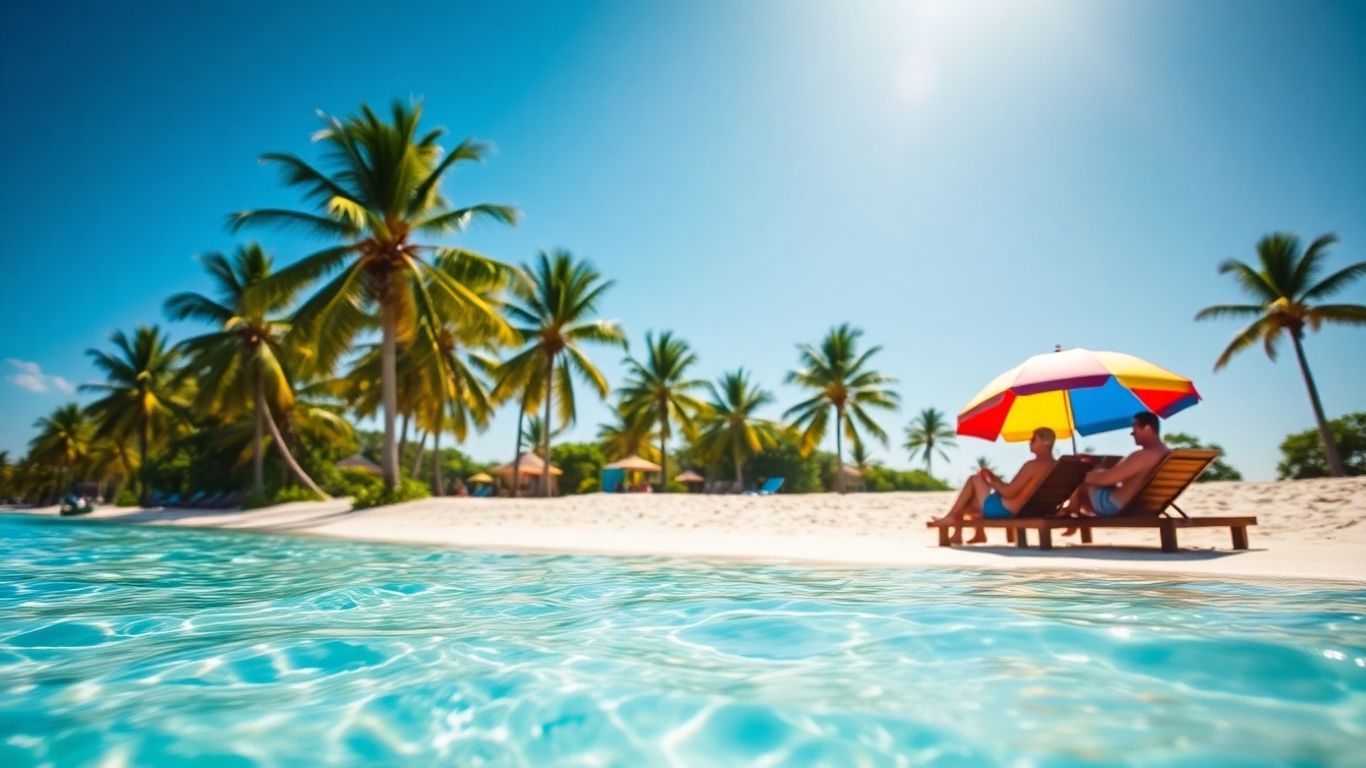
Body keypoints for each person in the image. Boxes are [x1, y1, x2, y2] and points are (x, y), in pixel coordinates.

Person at [932, 427, 1057, 545]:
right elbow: (1017, 490)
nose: (1029, 443)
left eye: (1033, 439)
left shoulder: (1032, 465)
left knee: (974, 479)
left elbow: (1009, 492)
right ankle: (966, 534)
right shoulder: (1055, 466)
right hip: (1027, 509)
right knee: (969, 503)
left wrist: (991, 482)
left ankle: (952, 517)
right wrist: (996, 479)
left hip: (1004, 509)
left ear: (1046, 442)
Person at [1063, 411, 1169, 520]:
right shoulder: (1166, 454)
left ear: (1147, 428)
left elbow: (1105, 479)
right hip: (1145, 506)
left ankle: (1070, 515)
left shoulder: (1143, 455)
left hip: (1116, 507)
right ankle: (1072, 512)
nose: (1132, 433)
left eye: (1134, 429)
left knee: (1081, 485)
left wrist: (1081, 475)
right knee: (1096, 477)